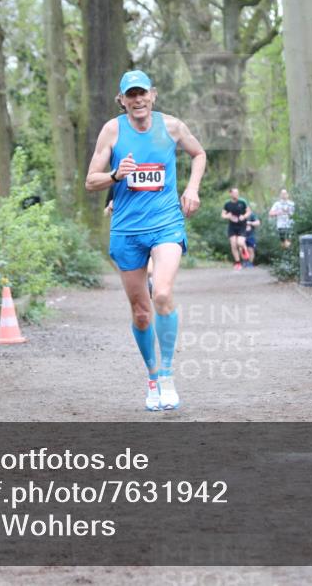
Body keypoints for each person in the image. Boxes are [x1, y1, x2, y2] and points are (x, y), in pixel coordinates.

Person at [85, 70, 206, 411]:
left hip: (166, 222)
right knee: (141, 313)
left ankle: (167, 375)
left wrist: (192, 188)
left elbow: (199, 154)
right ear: (122, 100)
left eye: (142, 93)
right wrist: (114, 175)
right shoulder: (112, 130)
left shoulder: (171, 127)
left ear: (153, 95)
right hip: (127, 229)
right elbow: (90, 181)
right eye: (130, 95)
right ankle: (152, 376)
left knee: (162, 293)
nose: (137, 100)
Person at [221, 187, 250, 270]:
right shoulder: (227, 204)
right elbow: (223, 215)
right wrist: (228, 216)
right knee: (233, 244)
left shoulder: (242, 202)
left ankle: (244, 249)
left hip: (242, 226)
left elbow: (249, 212)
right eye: (234, 193)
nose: (236, 194)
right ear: (230, 194)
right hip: (232, 226)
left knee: (240, 243)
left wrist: (244, 216)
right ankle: (238, 263)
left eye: (237, 193)